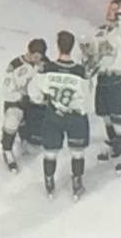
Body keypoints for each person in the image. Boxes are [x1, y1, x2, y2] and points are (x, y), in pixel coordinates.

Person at [29, 30, 91, 200]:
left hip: (53, 115)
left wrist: (41, 100)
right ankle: (77, 182)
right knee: (77, 152)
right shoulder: (79, 71)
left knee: (50, 152)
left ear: (58, 46)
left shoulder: (47, 69)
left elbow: (34, 90)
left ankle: (49, 182)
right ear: (72, 47)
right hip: (75, 117)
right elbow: (86, 98)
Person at [82, 0, 121, 173]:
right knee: (106, 117)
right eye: (111, 8)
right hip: (104, 80)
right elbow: (94, 56)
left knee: (120, 122)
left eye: (116, 9)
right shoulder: (100, 32)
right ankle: (114, 145)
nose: (111, 11)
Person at [0, 38, 48, 172]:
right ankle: (7, 149)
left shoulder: (45, 64)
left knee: (34, 149)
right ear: (29, 52)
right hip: (18, 102)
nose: (38, 60)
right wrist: (21, 98)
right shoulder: (15, 65)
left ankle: (27, 136)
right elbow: (7, 91)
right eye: (36, 56)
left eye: (40, 57)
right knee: (12, 119)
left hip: (37, 105)